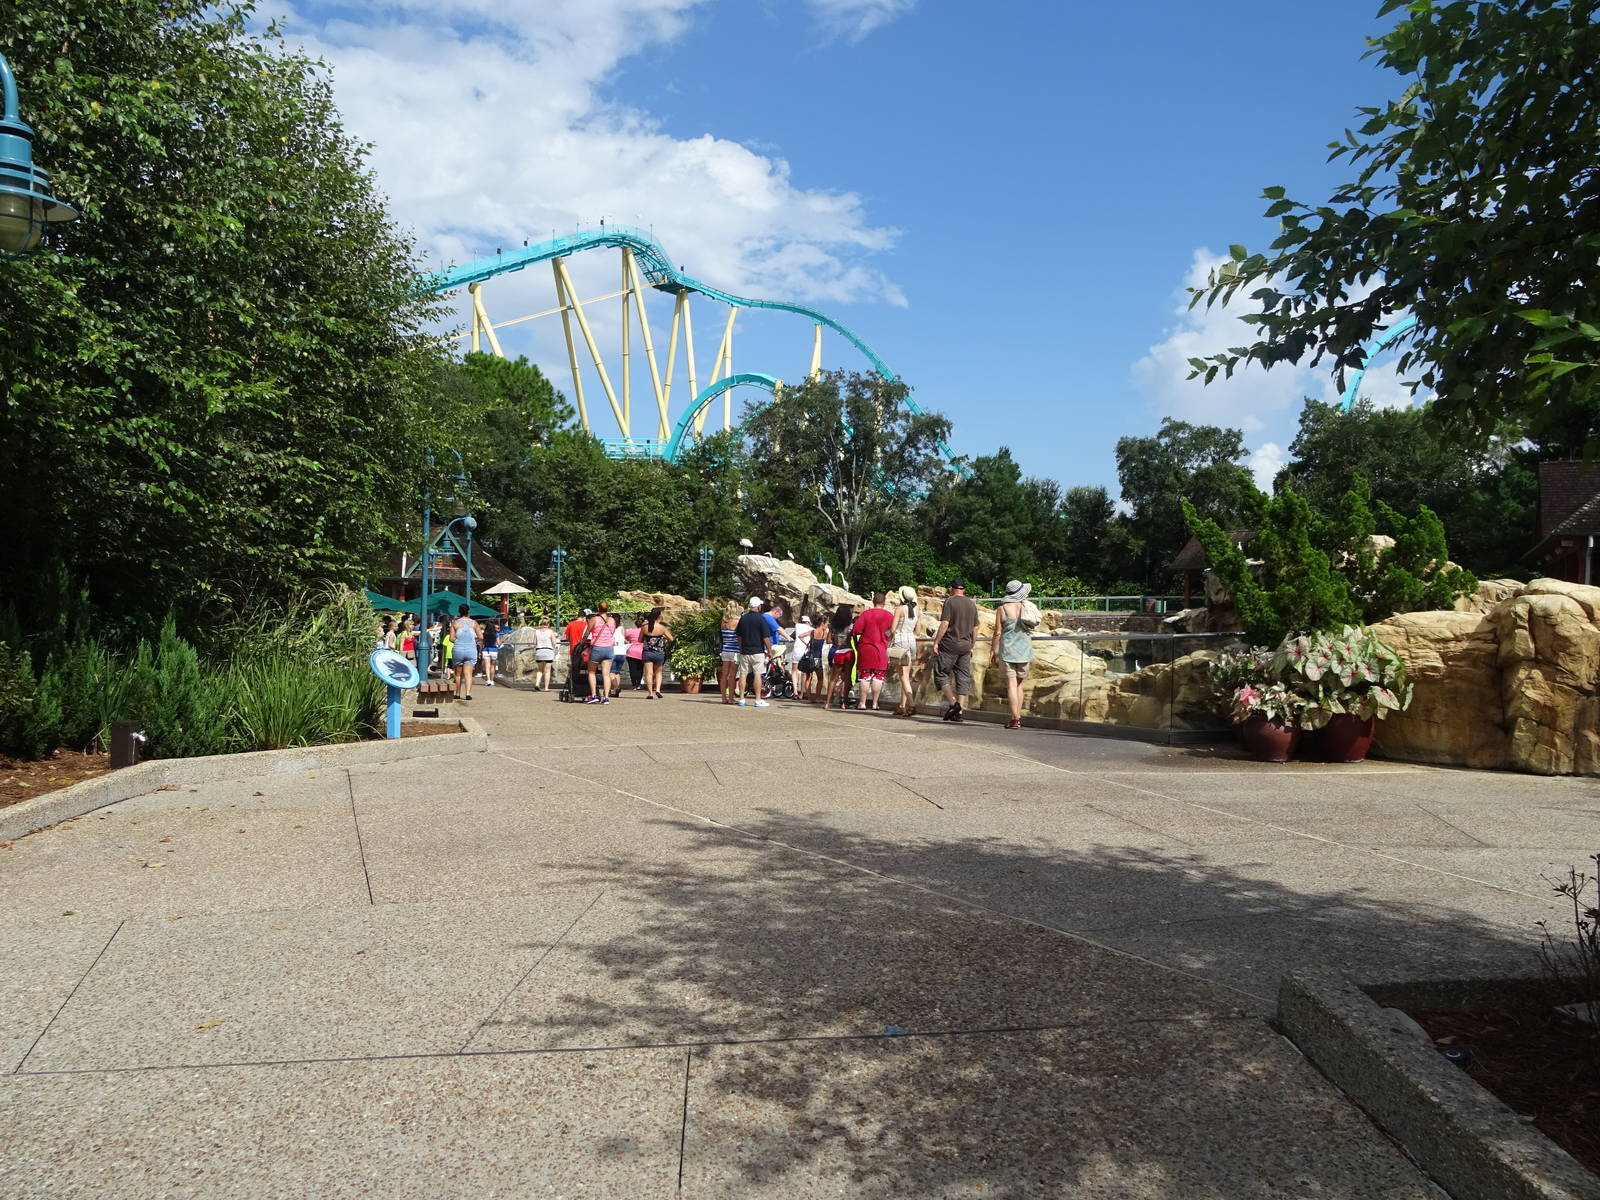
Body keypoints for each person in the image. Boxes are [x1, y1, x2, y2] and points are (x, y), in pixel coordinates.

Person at [930, 580, 979, 724]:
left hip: (949, 644)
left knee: (941, 673)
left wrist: (936, 642)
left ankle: (953, 704)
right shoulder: (971, 604)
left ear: (952, 589)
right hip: (965, 646)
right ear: (963, 589)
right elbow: (976, 628)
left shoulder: (950, 601)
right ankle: (960, 712)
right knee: (963, 677)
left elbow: (945, 623)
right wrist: (972, 646)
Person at [993, 579, 1035, 730]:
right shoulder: (1026, 607)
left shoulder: (1002, 609)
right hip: (1024, 649)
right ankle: (1018, 716)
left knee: (1011, 683)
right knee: (1019, 684)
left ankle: (1014, 718)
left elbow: (997, 632)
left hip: (1008, 650)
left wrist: (993, 650)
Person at [851, 593, 895, 711]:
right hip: (882, 650)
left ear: (873, 601)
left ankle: (862, 703)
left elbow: (856, 630)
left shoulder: (866, 614)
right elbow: (892, 633)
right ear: (884, 603)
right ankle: (875, 704)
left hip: (866, 649)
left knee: (865, 676)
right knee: (878, 677)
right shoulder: (889, 616)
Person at [735, 595, 772, 707]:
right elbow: (765, 637)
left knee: (743, 674)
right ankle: (757, 699)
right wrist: (769, 650)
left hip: (745, 651)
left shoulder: (743, 618)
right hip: (757, 651)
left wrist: (741, 648)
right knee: (757, 674)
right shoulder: (761, 619)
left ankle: (741, 698)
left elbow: (739, 636)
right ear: (758, 607)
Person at [889, 586, 920, 717]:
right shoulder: (917, 609)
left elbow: (893, 629)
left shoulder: (900, 609)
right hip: (911, 642)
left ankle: (911, 705)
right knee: (906, 675)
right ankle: (902, 706)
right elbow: (918, 631)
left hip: (900, 642)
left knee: (903, 676)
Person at [585, 602, 619, 705]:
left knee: (591, 672)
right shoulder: (612, 620)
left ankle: (594, 695)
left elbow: (587, 633)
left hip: (597, 647)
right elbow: (612, 633)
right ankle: (606, 697)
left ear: (598, 608)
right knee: (606, 674)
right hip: (609, 648)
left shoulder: (594, 619)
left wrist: (582, 642)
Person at [823, 603, 855, 711]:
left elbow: (828, 640)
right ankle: (844, 703)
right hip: (849, 651)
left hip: (838, 651)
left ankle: (827, 702)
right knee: (847, 678)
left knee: (833, 678)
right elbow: (854, 639)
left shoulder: (833, 626)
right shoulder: (851, 625)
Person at [639, 607, 673, 699]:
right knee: (658, 672)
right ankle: (657, 690)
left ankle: (650, 693)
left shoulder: (644, 627)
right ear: (659, 616)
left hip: (647, 652)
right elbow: (671, 639)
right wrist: (664, 640)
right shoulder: (662, 627)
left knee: (648, 673)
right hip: (659, 652)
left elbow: (639, 640)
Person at [450, 604, 479, 701]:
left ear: (459, 611)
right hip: (471, 649)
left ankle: (457, 693)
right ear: (468, 611)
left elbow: (451, 638)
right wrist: (472, 640)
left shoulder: (455, 623)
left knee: (458, 674)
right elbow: (481, 637)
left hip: (458, 649)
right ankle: (468, 694)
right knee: (468, 674)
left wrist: (459, 641)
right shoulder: (474, 623)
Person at [717, 602, 740, 704]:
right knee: (732, 675)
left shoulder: (723, 622)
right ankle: (730, 698)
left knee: (724, 674)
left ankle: (723, 698)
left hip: (725, 650)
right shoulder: (737, 621)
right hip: (735, 650)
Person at [788, 609, 815, 697]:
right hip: (805, 651)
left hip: (796, 649)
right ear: (808, 622)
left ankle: (795, 691)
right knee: (804, 672)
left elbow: (793, 635)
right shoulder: (811, 629)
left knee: (794, 671)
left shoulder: (797, 626)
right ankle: (802, 693)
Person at [532, 615, 557, 691]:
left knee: (540, 670)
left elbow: (534, 642)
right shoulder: (550, 631)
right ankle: (546, 688)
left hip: (539, 651)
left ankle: (537, 683)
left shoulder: (536, 631)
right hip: (548, 651)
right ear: (548, 624)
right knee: (547, 671)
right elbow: (554, 642)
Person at [623, 616, 646, 691]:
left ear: (635, 624)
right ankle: (639, 683)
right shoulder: (644, 631)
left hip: (631, 651)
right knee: (640, 669)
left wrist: (629, 640)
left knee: (632, 669)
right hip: (641, 651)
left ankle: (634, 684)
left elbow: (625, 637)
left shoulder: (630, 631)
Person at [480, 617, 500, 687]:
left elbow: (482, 643)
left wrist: (480, 651)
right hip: (494, 650)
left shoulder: (484, 633)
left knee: (487, 666)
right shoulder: (496, 633)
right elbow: (498, 643)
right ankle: (492, 680)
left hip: (486, 650)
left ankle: (488, 680)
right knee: (492, 666)